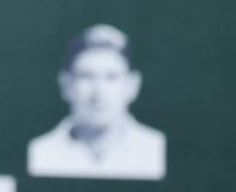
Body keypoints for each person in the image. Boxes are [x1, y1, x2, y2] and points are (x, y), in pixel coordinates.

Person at [27, 24, 166, 180]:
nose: (98, 91)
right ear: (66, 84)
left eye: (111, 77)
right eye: (86, 76)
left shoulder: (156, 149)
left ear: (132, 85)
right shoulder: (40, 153)